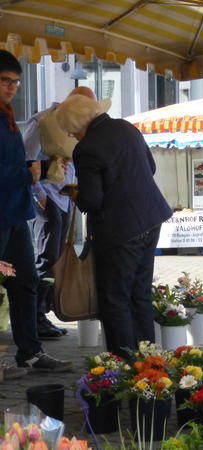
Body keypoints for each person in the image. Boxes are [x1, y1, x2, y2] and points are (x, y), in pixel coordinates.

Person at [55, 94, 172, 360]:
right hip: (151, 218)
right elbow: (150, 167)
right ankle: (147, 359)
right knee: (140, 293)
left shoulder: (86, 149)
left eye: (71, 130)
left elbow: (92, 200)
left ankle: (123, 362)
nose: (72, 136)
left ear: (77, 124)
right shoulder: (126, 127)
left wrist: (78, 195)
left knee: (115, 298)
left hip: (119, 230)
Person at [0, 50, 72, 372]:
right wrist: (30, 173)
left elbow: (14, 165)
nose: (12, 87)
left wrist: (40, 169)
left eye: (15, 82)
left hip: (15, 213)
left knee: (25, 281)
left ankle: (30, 352)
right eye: (4, 81)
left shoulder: (8, 117)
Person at [23, 86, 96, 339]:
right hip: (47, 199)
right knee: (47, 258)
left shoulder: (75, 124)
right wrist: (40, 197)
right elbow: (27, 161)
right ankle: (35, 318)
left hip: (65, 199)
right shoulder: (43, 120)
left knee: (56, 259)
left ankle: (42, 314)